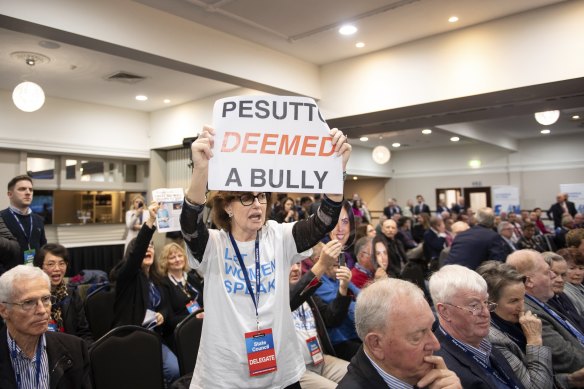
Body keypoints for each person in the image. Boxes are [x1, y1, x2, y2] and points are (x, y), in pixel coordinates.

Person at [180, 125, 351, 388]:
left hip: (282, 374)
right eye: (247, 198)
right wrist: (201, 170)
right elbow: (190, 224)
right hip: (225, 377)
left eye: (261, 196)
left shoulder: (278, 236)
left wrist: (336, 170)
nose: (258, 204)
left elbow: (324, 221)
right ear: (226, 206)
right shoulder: (214, 245)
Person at [337, 277, 462, 389]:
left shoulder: (429, 376)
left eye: (432, 328)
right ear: (376, 344)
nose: (435, 345)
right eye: (417, 336)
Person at [113, 201, 180, 384]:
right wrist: (151, 219)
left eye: (152, 246)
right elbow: (137, 252)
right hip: (131, 337)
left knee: (175, 369)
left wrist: (162, 315)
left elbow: (166, 307)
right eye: (145, 247)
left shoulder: (158, 280)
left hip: (155, 337)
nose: (149, 248)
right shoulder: (127, 276)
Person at [429, 264, 525, 389]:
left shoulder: (485, 345)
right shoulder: (446, 371)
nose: (485, 313)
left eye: (485, 302)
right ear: (445, 312)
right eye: (474, 306)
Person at [0, 265, 91, 388]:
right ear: (4, 310)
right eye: (28, 302)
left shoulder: (75, 349)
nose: (42, 310)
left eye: (46, 299)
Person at [506, 249, 584, 378]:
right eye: (548, 272)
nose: (554, 277)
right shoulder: (529, 313)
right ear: (529, 281)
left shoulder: (542, 302)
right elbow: (567, 359)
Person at [476, 261, 554, 389]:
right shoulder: (492, 339)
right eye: (514, 301)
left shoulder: (517, 322)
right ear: (489, 304)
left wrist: (569, 380)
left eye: (523, 298)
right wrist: (535, 340)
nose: (522, 307)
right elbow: (536, 387)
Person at [288, 240, 351, 388]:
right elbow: (291, 299)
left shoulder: (309, 296)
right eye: (290, 264)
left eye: (298, 263)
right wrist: (322, 264)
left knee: (360, 375)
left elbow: (331, 318)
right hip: (296, 370)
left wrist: (343, 288)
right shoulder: (272, 298)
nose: (296, 268)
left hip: (320, 359)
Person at [33, 244, 93, 343]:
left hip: (71, 351)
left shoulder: (71, 294)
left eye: (61, 263)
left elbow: (83, 332)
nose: (57, 268)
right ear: (39, 267)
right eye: (51, 264)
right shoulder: (33, 297)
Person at [158, 242, 204, 350]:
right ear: (166, 262)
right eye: (172, 257)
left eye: (179, 256)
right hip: (180, 332)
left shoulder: (192, 278)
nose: (178, 260)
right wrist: (194, 318)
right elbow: (169, 320)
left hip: (202, 327)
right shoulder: (163, 284)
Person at [0, 175, 47, 274]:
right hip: (8, 280)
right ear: (10, 194)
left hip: (34, 275)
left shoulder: (38, 219)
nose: (28, 192)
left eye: (30, 189)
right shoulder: (1, 218)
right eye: (22, 189)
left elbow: (43, 249)